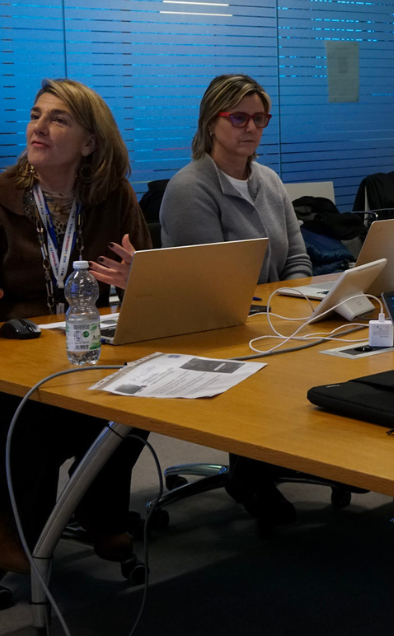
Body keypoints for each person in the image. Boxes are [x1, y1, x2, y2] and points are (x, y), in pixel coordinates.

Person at [0, 78, 152, 573]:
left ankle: (99, 510)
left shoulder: (114, 197)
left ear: (89, 143)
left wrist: (140, 281)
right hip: (4, 364)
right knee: (35, 407)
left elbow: (151, 275)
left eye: (58, 119)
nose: (39, 127)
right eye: (36, 115)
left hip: (85, 350)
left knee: (141, 392)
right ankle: (4, 514)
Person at [160, 74, 312, 526]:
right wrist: (276, 313)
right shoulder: (190, 188)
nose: (251, 128)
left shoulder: (269, 180)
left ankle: (286, 456)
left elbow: (298, 258)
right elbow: (213, 287)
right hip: (213, 328)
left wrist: (295, 305)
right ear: (212, 122)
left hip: (269, 319)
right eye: (239, 118)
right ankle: (251, 475)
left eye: (260, 119)